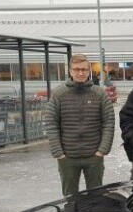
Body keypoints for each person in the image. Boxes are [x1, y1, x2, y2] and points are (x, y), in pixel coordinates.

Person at [47, 53, 115, 196]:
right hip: (67, 158)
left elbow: (108, 122)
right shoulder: (59, 94)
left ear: (89, 71)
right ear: (70, 71)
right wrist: (58, 153)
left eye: (84, 69)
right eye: (76, 69)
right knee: (70, 199)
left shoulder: (99, 94)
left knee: (96, 198)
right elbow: (52, 123)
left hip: (94, 157)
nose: (80, 73)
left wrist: (102, 151)